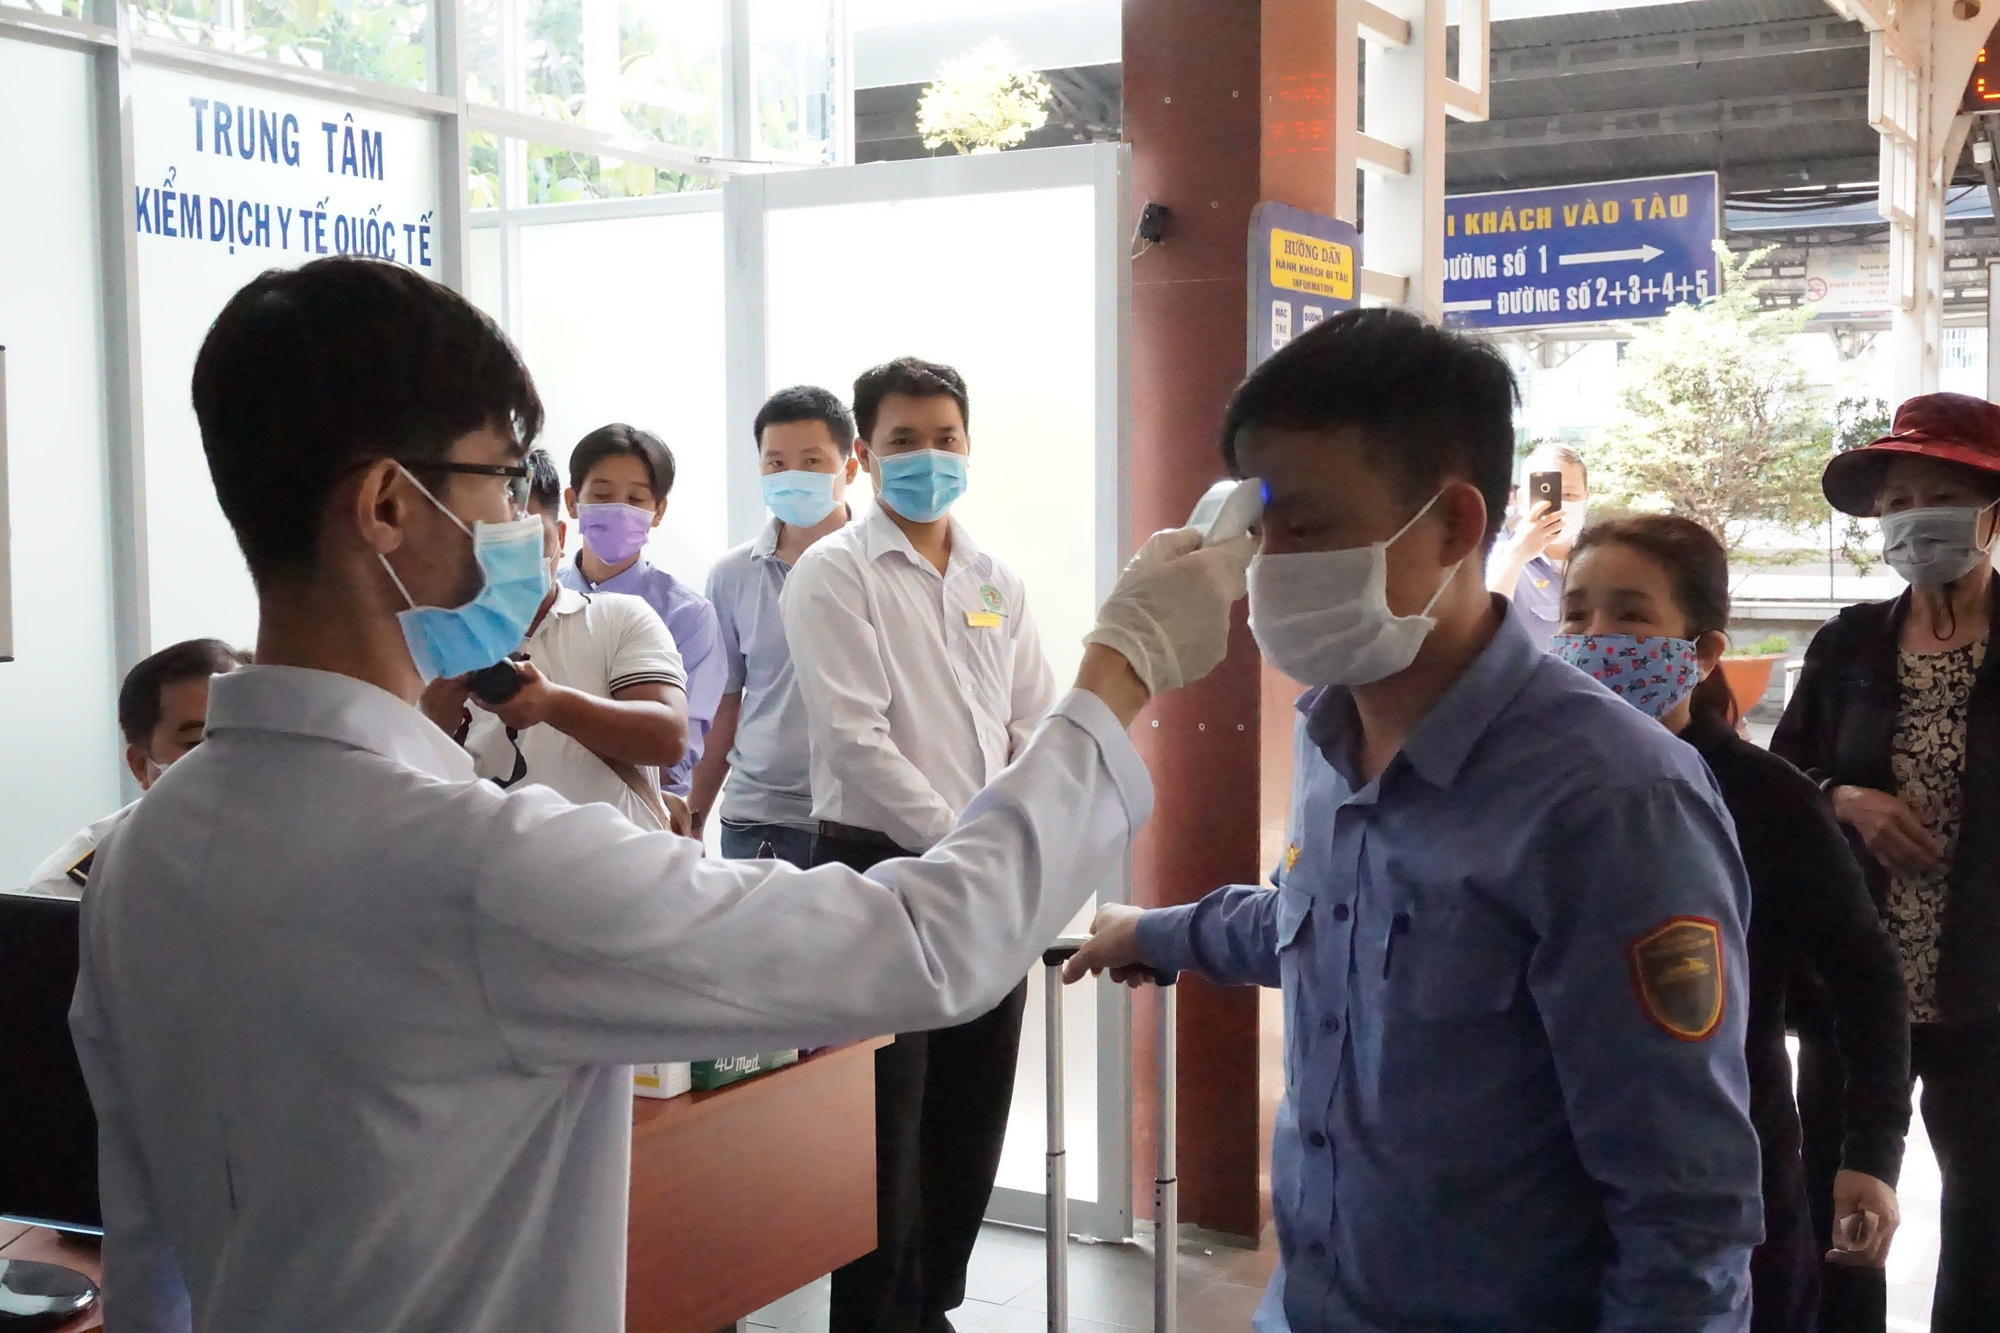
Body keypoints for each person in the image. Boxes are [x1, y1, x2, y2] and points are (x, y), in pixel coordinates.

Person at [68, 256, 1253, 1333]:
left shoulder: (143, 851)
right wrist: (1122, 669)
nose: (534, 522)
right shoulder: (477, 864)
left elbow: (148, 1238)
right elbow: (923, 943)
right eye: (504, 480)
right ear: (385, 506)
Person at [1064, 309, 1764, 1332]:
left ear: (1452, 525)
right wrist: (1157, 931)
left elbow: (1685, 1206)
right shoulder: (1331, 732)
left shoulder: (1611, 800)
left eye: (1304, 530)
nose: (1264, 571)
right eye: (1254, 532)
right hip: (1311, 1306)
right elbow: (1315, 924)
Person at [1555, 513, 1910, 1333]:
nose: (1596, 636)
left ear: (1704, 650)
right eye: (1577, 613)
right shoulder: (1529, 785)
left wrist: (1871, 1154)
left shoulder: (1767, 797)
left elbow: (1865, 972)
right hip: (1555, 1169)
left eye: (1632, 614)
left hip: (1724, 1174)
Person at [781, 357, 1056, 1333]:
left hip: (984, 881)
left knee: (969, 1113)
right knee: (879, 1130)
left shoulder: (994, 581)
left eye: (944, 438)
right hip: (874, 875)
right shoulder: (832, 573)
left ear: (968, 446)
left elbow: (1034, 724)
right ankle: (870, 1317)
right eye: (902, 441)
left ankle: (929, 1302)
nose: (927, 457)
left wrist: (1016, 849)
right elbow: (857, 740)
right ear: (863, 455)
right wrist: (968, 851)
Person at [1772, 391, 2000, 1333]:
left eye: (1936, 492)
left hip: (1986, 992)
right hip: (1850, 990)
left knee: (1987, 1222)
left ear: (1991, 511)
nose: (1912, 517)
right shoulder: (1848, 642)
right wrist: (1842, 797)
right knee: (1838, 1211)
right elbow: (1782, 774)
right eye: (1897, 498)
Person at [422, 447, 692, 832]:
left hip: (617, 876)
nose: (510, 559)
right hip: (486, 875)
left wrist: (554, 705)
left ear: (561, 536)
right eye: (493, 543)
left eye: (528, 539)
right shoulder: (429, 641)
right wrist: (432, 721)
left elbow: (668, 738)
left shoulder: (619, 617)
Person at [688, 385, 859, 865]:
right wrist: (694, 814)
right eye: (776, 463)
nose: (792, 476)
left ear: (849, 469)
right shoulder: (733, 573)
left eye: (811, 461)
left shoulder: (882, 565)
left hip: (867, 817)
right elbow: (724, 702)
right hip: (762, 818)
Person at [559, 423, 726, 798]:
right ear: (572, 501)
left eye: (636, 501)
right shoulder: (538, 597)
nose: (618, 511)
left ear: (658, 510)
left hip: (634, 811)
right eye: (601, 496)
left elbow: (679, 751)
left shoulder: (687, 615)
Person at [20, 638, 248, 897]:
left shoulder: (297, 845)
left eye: (250, 738)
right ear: (141, 765)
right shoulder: (72, 892)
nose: (233, 758)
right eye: (196, 742)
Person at [1486, 441, 1590, 645]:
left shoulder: (1600, 561)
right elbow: (1482, 629)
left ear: (1586, 497)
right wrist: (1516, 557)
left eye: (1569, 495)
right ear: (1523, 500)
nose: (1560, 505)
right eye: (1546, 494)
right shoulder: (1495, 560)